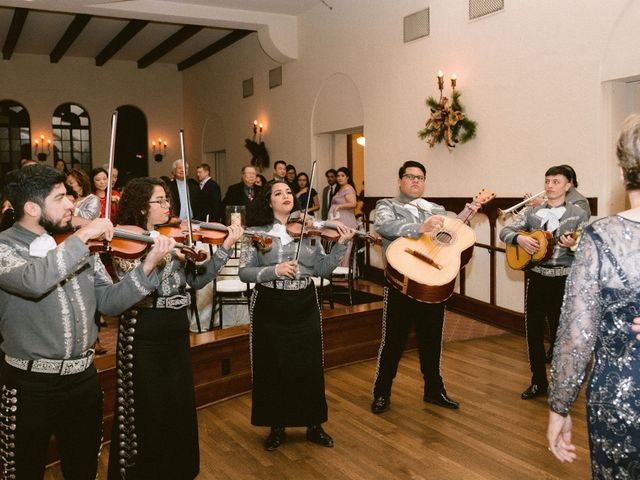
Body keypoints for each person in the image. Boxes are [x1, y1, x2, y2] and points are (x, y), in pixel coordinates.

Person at [0, 165, 171, 479]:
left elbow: (108, 301)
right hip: (29, 385)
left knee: (83, 469)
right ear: (32, 208)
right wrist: (80, 237)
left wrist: (146, 268)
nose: (71, 205)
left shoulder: (81, 246)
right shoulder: (5, 247)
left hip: (83, 381)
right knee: (24, 470)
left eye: (68, 195)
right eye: (60, 197)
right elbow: (33, 280)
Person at [107, 177, 243, 479]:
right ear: (141, 206)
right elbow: (134, 286)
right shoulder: (127, 241)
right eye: (160, 200)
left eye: (168, 199)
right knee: (146, 407)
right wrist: (158, 256)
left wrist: (224, 248)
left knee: (176, 405)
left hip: (175, 330)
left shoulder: (173, 237)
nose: (167, 205)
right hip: (144, 331)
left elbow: (197, 281)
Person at [547, 114, 640, 475]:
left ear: (621, 173)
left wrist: (559, 406)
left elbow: (576, 335)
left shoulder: (599, 238)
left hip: (620, 397)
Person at [238, 181, 354, 451]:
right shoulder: (256, 232)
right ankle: (276, 426)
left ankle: (314, 425)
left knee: (308, 364)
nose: (286, 196)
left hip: (303, 301)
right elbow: (245, 272)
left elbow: (322, 270)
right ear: (268, 201)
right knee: (273, 366)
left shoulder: (310, 231)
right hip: (271, 301)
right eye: (278, 193)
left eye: (288, 192)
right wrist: (274, 270)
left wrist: (341, 246)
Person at [371, 160, 472, 414]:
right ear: (400, 181)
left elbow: (452, 236)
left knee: (432, 340)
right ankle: (382, 392)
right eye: (410, 176)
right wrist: (419, 227)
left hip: (432, 283)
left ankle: (434, 390)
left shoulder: (436, 208)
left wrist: (464, 219)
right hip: (401, 283)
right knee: (393, 341)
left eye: (420, 177)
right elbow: (383, 227)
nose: (416, 181)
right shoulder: (387, 205)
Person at [500, 166, 588, 400]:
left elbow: (587, 246)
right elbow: (506, 230)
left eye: (556, 182)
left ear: (568, 185)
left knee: (563, 334)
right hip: (537, 278)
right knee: (534, 332)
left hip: (564, 280)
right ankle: (538, 381)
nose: (549, 186)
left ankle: (563, 384)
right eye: (547, 181)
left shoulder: (577, 214)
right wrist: (519, 238)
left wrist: (573, 245)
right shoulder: (533, 212)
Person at [329, 167, 358, 266]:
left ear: (347, 177)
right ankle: (338, 273)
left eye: (342, 176)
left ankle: (344, 272)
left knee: (346, 245)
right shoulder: (340, 188)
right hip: (338, 220)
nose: (339, 178)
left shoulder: (348, 188)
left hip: (346, 220)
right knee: (340, 245)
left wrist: (340, 206)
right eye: (338, 176)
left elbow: (353, 203)